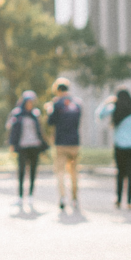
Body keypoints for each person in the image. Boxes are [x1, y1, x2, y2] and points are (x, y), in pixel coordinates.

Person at [97, 89, 131, 210]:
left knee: (120, 173)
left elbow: (100, 114)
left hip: (119, 145)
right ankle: (130, 201)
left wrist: (107, 102)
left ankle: (118, 200)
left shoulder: (115, 107)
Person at [46, 77, 83, 211]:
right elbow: (78, 122)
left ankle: (62, 197)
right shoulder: (77, 103)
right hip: (74, 142)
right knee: (73, 172)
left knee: (60, 172)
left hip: (60, 142)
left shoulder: (56, 104)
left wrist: (49, 109)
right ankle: (75, 198)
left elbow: (50, 122)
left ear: (57, 90)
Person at [6, 90, 47, 206]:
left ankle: (30, 196)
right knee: (21, 171)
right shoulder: (17, 114)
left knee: (33, 172)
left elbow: (40, 131)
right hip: (22, 146)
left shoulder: (35, 114)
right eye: (28, 102)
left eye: (31, 102)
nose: (30, 104)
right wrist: (12, 144)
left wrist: (43, 146)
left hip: (34, 146)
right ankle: (20, 197)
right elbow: (12, 130)